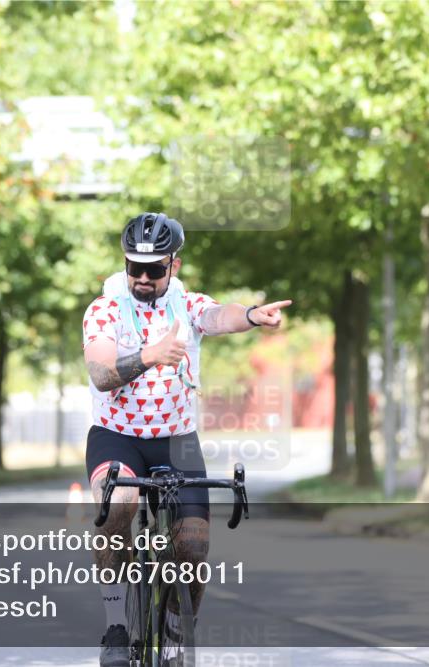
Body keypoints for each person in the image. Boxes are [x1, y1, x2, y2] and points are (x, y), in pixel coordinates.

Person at [82, 212, 291, 666]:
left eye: (154, 269)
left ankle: (178, 630)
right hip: (117, 436)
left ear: (173, 265)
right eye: (134, 267)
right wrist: (150, 355)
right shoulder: (105, 309)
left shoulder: (186, 304)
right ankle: (116, 624)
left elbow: (218, 316)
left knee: (193, 546)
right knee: (117, 506)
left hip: (177, 441)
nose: (142, 278)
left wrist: (250, 315)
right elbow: (100, 373)